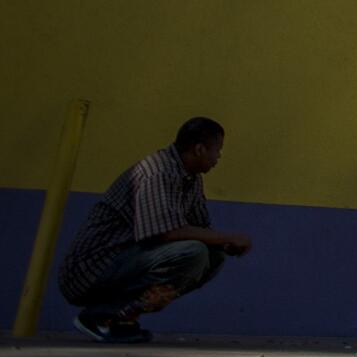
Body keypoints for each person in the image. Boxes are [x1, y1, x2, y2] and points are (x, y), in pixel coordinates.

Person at [59, 117, 251, 343]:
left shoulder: (190, 179)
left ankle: (122, 317)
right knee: (193, 253)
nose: (218, 157)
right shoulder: (158, 173)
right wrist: (226, 237)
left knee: (213, 256)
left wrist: (223, 244)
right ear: (199, 149)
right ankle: (99, 315)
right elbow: (165, 232)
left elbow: (200, 227)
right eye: (217, 150)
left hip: (127, 260)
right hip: (93, 268)